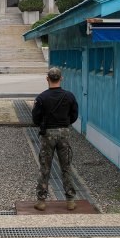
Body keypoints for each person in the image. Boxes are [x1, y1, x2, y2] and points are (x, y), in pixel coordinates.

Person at [31, 67, 79, 211]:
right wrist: (64, 123)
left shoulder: (41, 98)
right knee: (66, 166)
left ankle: (41, 200)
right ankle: (70, 200)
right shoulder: (69, 96)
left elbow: (35, 118)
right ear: (61, 78)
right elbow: (74, 115)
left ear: (47, 79)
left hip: (47, 135)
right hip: (64, 132)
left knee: (45, 167)